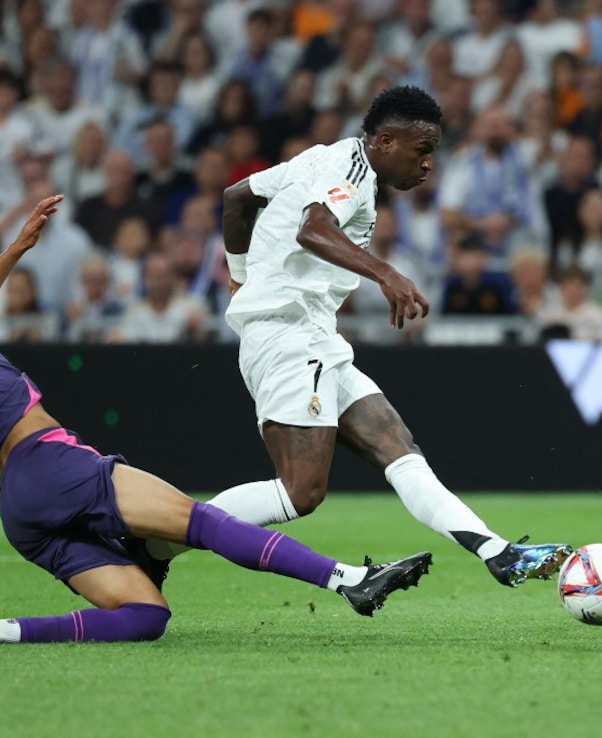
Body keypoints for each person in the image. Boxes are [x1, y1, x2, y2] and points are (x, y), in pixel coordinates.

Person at [0, 196, 434, 646]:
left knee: (145, 615)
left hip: (20, 507)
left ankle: (1, 631)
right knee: (200, 522)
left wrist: (16, 247)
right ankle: (348, 580)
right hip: (50, 464)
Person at [214, 86, 573, 587]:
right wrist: (386, 273)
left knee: (398, 447)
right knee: (300, 493)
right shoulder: (350, 172)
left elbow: (237, 200)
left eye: (433, 153)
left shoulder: (322, 159)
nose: (428, 165)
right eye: (421, 151)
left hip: (313, 337)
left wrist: (240, 275)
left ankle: (497, 551)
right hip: (288, 336)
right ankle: (160, 531)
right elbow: (312, 229)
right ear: (384, 141)